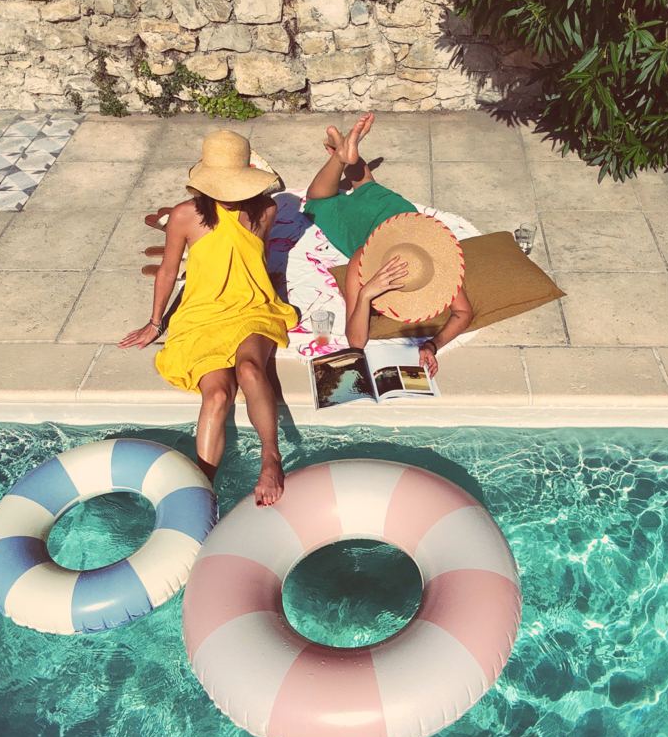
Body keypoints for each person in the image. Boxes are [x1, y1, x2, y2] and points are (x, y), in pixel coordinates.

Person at [119, 131, 294, 506]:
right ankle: (202, 490)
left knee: (249, 370)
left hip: (253, 306)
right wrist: (155, 322)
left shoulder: (266, 210)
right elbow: (168, 271)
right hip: (202, 314)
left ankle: (271, 458)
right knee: (216, 395)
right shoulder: (184, 216)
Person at [305, 113, 474, 376]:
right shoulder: (363, 258)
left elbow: (463, 311)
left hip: (399, 214)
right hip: (370, 226)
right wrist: (365, 293)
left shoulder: (431, 253)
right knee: (317, 202)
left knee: (368, 188)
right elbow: (356, 341)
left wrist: (432, 345)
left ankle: (343, 149)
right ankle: (340, 155)